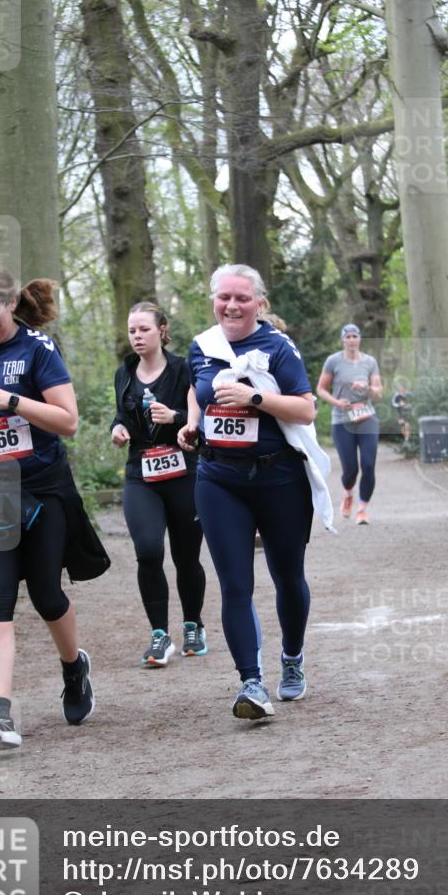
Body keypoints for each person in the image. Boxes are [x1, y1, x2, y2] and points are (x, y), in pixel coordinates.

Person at [0, 262, 109, 751]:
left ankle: (74, 667)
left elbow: (67, 421)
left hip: (42, 489)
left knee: (45, 595)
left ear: (11, 304)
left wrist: (12, 402)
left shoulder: (40, 349)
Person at [178, 265, 329, 721]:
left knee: (288, 577)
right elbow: (195, 388)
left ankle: (293, 658)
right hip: (219, 478)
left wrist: (254, 399)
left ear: (259, 303)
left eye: (242, 298)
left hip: (278, 478)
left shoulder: (278, 348)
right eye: (224, 297)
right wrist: (192, 421)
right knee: (235, 585)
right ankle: (251, 682)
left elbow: (305, 409)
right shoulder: (202, 347)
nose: (231, 305)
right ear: (213, 300)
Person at [111, 302, 206, 667]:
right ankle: (159, 635)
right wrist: (117, 429)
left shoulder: (184, 369)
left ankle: (193, 625)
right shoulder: (125, 372)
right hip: (142, 474)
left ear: (161, 330)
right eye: (132, 330)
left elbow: (201, 417)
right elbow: (120, 415)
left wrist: (176, 416)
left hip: (183, 471)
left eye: (144, 329)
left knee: (186, 557)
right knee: (148, 551)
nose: (137, 336)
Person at [316, 324, 383, 524]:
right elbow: (320, 389)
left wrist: (368, 388)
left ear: (360, 339)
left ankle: (362, 509)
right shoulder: (333, 361)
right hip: (342, 420)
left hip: (367, 418)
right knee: (350, 470)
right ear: (343, 340)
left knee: (369, 465)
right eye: (348, 336)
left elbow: (379, 393)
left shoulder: (370, 362)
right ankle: (348, 492)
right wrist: (337, 403)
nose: (352, 340)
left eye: (355, 336)